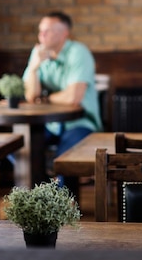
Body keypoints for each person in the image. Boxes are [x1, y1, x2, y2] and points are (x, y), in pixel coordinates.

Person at [22, 11, 102, 189]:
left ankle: (67, 205)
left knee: (65, 156)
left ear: (64, 33)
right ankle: (43, 195)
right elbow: (30, 96)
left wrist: (44, 99)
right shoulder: (39, 54)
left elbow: (74, 97)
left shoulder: (78, 52)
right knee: (18, 147)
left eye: (48, 31)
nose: (41, 35)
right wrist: (34, 68)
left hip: (80, 122)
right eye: (40, 30)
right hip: (48, 123)